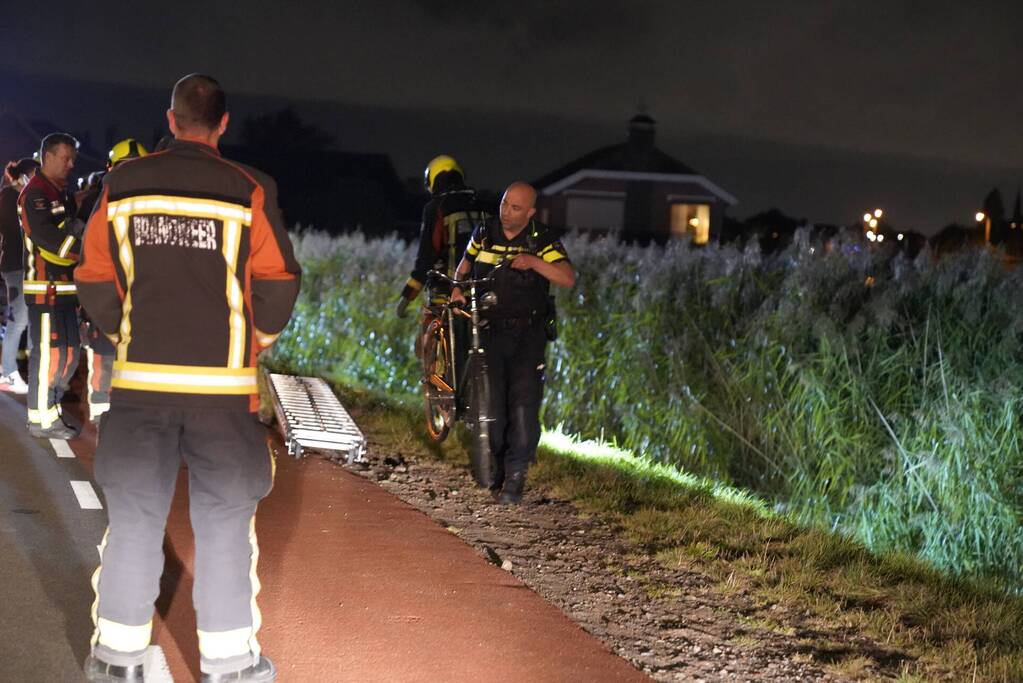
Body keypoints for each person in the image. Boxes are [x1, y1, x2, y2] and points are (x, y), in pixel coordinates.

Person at [76, 73, 300, 682]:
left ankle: (117, 659)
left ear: (169, 121)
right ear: (223, 124)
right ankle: (230, 665)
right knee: (226, 524)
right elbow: (279, 279)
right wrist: (251, 344)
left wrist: (123, 334)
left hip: (141, 386)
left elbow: (93, 274)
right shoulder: (249, 188)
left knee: (134, 520)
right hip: (222, 395)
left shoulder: (120, 185)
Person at [452, 182, 575, 504]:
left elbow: (566, 277)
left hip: (528, 334)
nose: (507, 213)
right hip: (489, 329)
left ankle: (515, 479)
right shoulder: (484, 232)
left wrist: (534, 262)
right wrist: (457, 288)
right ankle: (492, 470)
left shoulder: (541, 239)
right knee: (491, 405)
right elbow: (464, 266)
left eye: (516, 208)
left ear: (531, 212)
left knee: (523, 406)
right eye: (505, 204)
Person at [76, 138, 149, 423]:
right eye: (124, 167)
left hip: (140, 291)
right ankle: (100, 405)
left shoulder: (151, 201)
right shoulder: (95, 201)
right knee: (103, 350)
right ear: (110, 169)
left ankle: (127, 407)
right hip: (106, 289)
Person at [18, 133, 84, 437]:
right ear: (47, 157)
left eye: (73, 158)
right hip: (44, 289)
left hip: (68, 290)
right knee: (50, 353)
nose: (71, 164)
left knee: (70, 353)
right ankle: (41, 419)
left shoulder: (64, 193)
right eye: (65, 158)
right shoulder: (35, 194)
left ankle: (52, 409)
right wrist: (84, 251)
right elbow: (48, 240)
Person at [0, 157, 39, 394]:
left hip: (26, 265)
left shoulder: (19, 197)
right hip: (16, 265)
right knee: (20, 319)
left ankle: (25, 370)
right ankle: (7, 373)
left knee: (29, 318)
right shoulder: (8, 198)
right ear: (24, 176)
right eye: (35, 175)